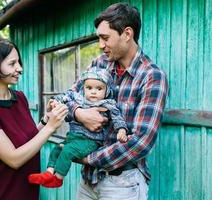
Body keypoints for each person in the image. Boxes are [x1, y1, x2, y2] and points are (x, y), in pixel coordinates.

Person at [68, 3, 168, 200]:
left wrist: (90, 159)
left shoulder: (152, 77)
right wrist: (79, 113)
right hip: (88, 181)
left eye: (105, 38)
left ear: (127, 34)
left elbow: (141, 141)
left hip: (123, 185)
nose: (100, 45)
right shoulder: (98, 64)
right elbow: (69, 97)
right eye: (99, 38)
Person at [0, 38, 68, 200]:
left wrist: (45, 121)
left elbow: (26, 140)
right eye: (12, 64)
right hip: (1, 191)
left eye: (19, 62)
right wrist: (50, 128)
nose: (19, 68)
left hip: (26, 187)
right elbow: (13, 159)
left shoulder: (19, 97)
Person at [28, 68, 128, 188]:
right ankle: (49, 173)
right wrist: (55, 101)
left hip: (90, 141)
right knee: (57, 149)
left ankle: (58, 178)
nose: (93, 92)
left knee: (67, 151)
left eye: (99, 88)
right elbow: (67, 95)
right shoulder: (79, 98)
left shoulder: (107, 104)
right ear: (83, 88)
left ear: (107, 90)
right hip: (72, 137)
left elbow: (118, 118)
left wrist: (122, 129)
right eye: (89, 88)